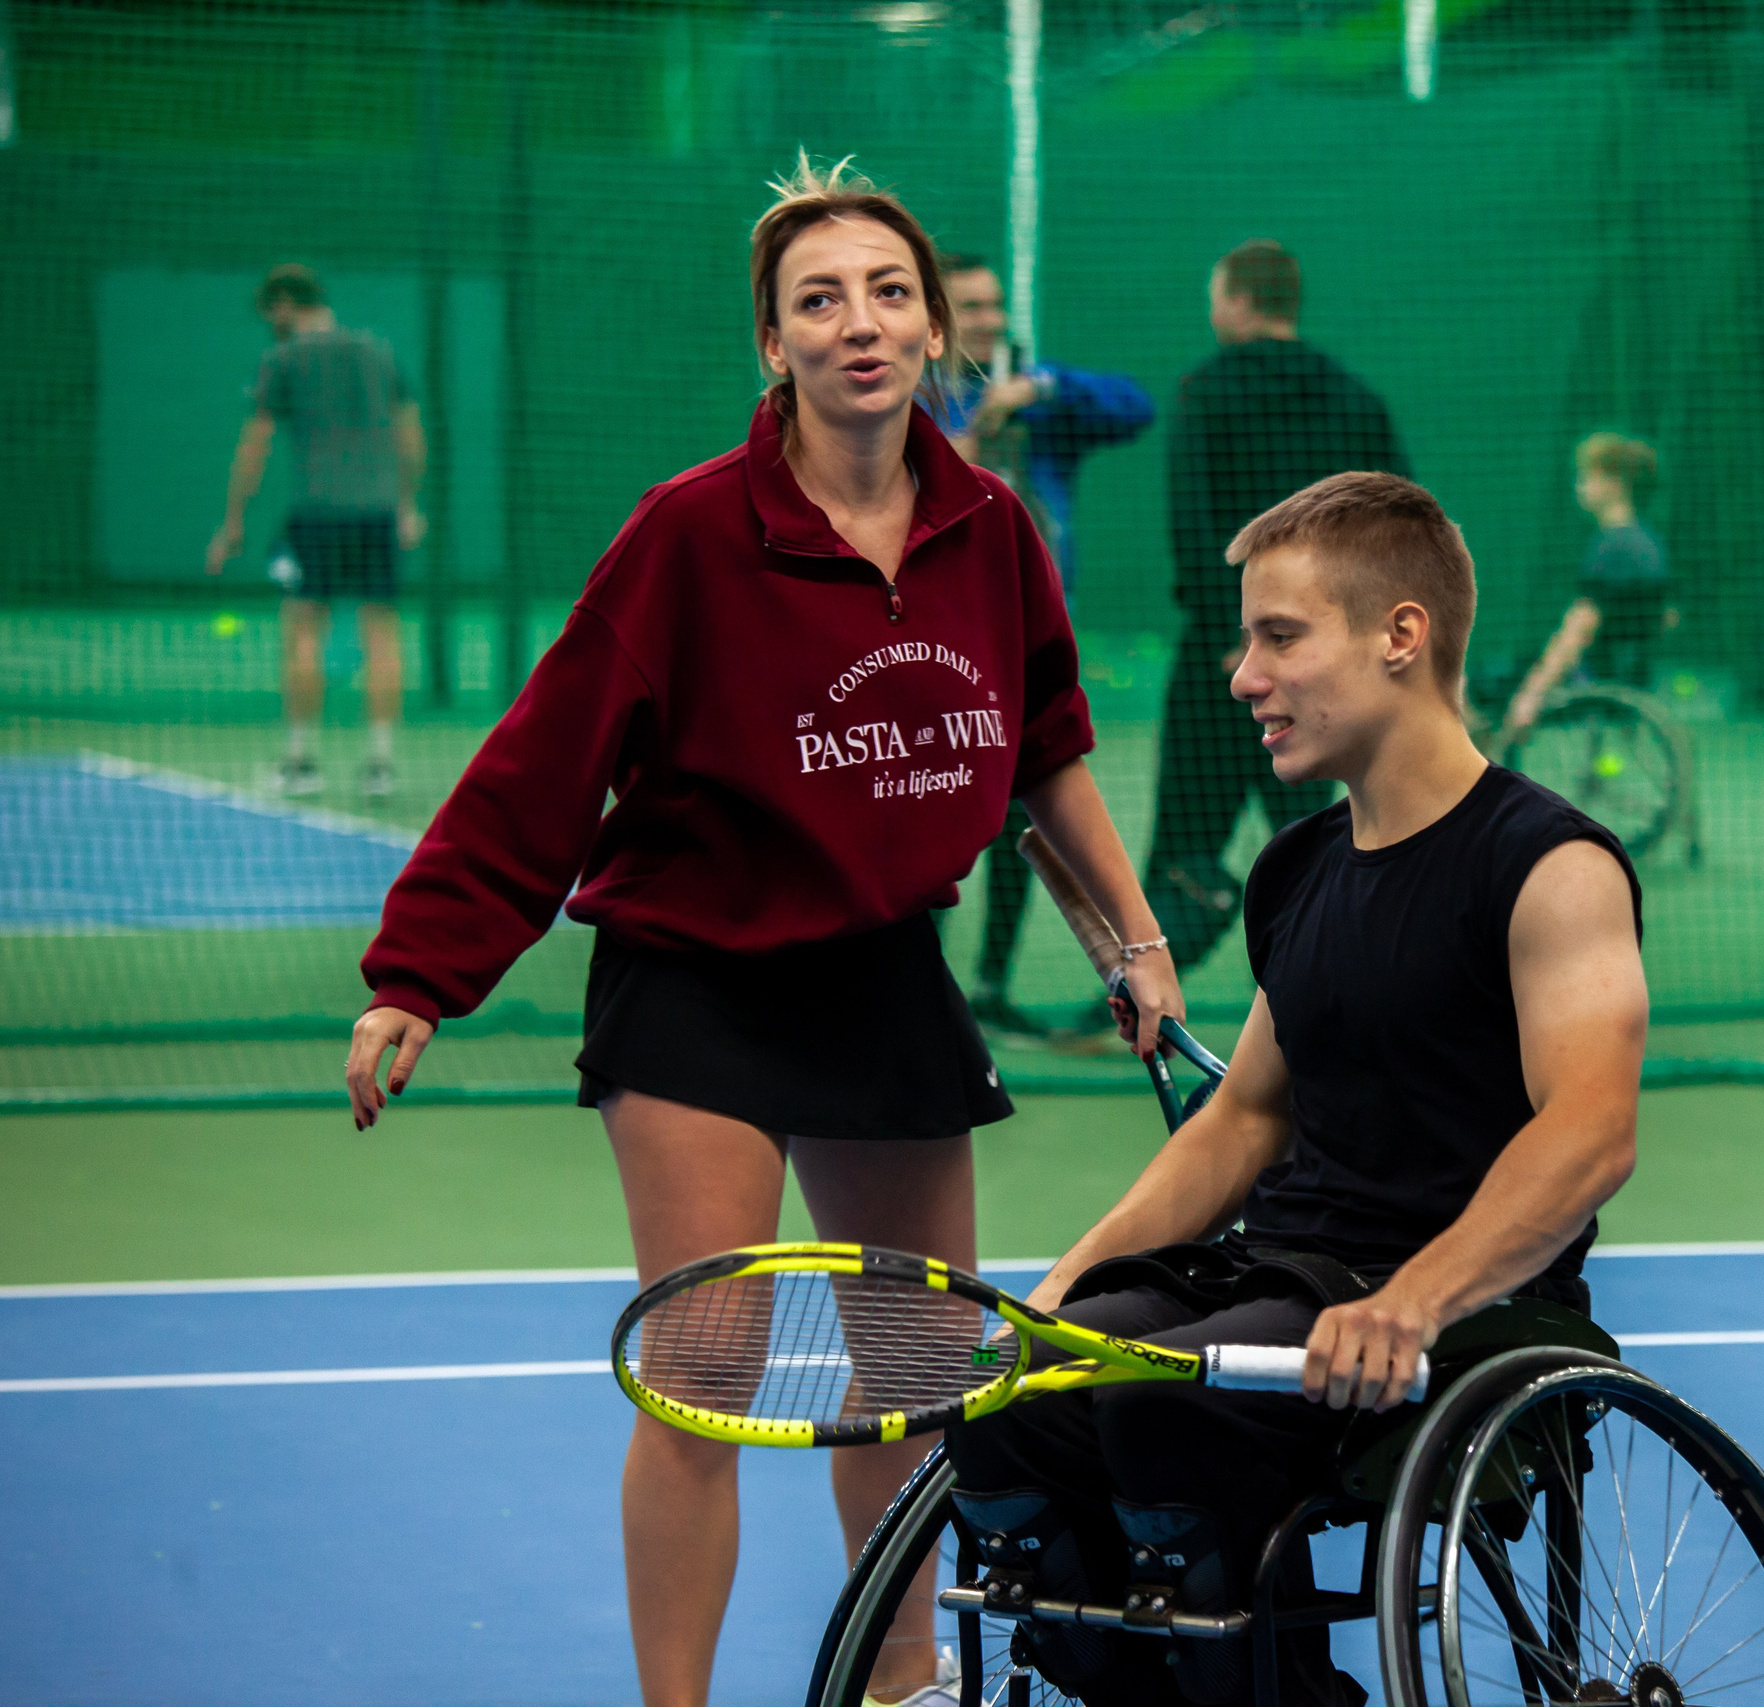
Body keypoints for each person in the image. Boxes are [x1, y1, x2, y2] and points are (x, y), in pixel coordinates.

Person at [341, 158, 1184, 1707]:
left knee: (921, 1375)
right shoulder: (688, 534)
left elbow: (1048, 749)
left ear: (935, 327)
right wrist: (421, 971)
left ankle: (902, 1679)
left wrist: (1131, 937)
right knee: (709, 1378)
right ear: (775, 343)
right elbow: (548, 757)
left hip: (883, 980)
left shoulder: (994, 527)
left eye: (886, 292)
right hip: (699, 981)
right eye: (819, 300)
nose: (857, 323)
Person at [942, 472, 1648, 1707]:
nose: (1242, 677)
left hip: (1469, 1318)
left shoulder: (1551, 867)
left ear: (1399, 636)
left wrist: (1415, 1300)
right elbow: (1248, 1118)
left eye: (1279, 637)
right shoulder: (1299, 867)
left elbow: (1589, 1133)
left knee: (1165, 1417)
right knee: (1006, 1403)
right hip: (1283, 1288)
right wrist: (1060, 1289)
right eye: (1245, 641)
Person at [1145, 240, 1409, 984]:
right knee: (1318, 829)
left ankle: (1146, 1011)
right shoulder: (1357, 400)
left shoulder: (1204, 391)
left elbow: (1192, 524)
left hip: (1223, 666)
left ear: (1234, 301)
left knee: (1186, 843)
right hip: (1330, 664)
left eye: (1213, 296)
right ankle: (1343, 992)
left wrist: (1242, 639)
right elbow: (1399, 527)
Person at [928, 254, 1156, 1037]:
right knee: (933, 814)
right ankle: (920, 990)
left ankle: (989, 983)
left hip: (1027, 641)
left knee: (1021, 811)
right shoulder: (910, 399)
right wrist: (961, 439)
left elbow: (1136, 407)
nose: (989, 319)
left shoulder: (1035, 395)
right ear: (936, 317)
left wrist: (1042, 389)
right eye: (971, 306)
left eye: (995, 304)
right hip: (937, 643)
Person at [205, 264, 425, 799]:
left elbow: (254, 444)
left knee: (303, 633)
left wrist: (233, 522)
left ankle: (301, 764)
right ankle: (380, 769)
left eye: (269, 313)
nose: (269, 324)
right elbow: (411, 437)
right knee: (383, 638)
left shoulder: (282, 359)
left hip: (318, 516)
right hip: (376, 516)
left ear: (283, 304)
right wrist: (406, 504)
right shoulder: (379, 351)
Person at [1502, 432, 1676, 735]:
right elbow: (1667, 619)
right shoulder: (1650, 544)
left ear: (1614, 483)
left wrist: (1531, 696)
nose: (1577, 486)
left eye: (1585, 477)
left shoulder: (1609, 549)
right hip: (1634, 678)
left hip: (1592, 680)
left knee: (1479, 684)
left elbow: (1579, 630)